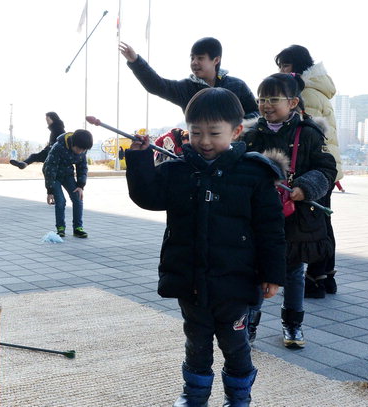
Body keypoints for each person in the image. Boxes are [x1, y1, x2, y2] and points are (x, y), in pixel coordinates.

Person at [125, 88, 286, 406]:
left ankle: (239, 397)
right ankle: (194, 394)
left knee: (235, 343)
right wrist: (140, 158)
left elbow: (271, 230)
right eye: (196, 132)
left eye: (214, 133)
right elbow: (148, 197)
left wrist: (273, 274)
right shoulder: (178, 169)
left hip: (237, 281)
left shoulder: (254, 174)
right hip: (190, 280)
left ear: (236, 131)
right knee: (196, 342)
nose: (205, 141)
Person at [242, 73, 337, 348]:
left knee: (294, 272)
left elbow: (327, 168)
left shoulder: (308, 133)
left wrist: (305, 188)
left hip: (294, 216)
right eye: (261, 99)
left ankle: (293, 325)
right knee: (256, 270)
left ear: (293, 102)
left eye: (273, 99)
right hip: (257, 217)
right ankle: (249, 324)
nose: (265, 105)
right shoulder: (249, 134)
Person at [276, 45, 342, 298]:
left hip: (317, 169)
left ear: (297, 65)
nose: (281, 71)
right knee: (322, 222)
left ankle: (316, 280)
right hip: (326, 166)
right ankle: (325, 278)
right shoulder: (317, 89)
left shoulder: (308, 93)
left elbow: (304, 136)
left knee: (315, 225)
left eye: (285, 65)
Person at [119, 37, 259, 119]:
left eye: (200, 58)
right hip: (200, 151)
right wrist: (136, 62)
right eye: (192, 58)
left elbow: (256, 113)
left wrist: (235, 125)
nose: (194, 63)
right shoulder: (186, 88)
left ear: (216, 60)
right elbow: (157, 85)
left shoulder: (237, 85)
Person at [43, 129, 93, 239]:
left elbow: (82, 167)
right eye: (78, 148)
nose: (80, 151)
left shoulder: (82, 150)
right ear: (72, 143)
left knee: (78, 197)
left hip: (67, 174)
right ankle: (60, 228)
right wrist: (50, 190)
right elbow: (50, 168)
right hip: (54, 175)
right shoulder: (58, 147)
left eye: (83, 149)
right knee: (60, 201)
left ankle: (78, 228)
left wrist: (80, 186)